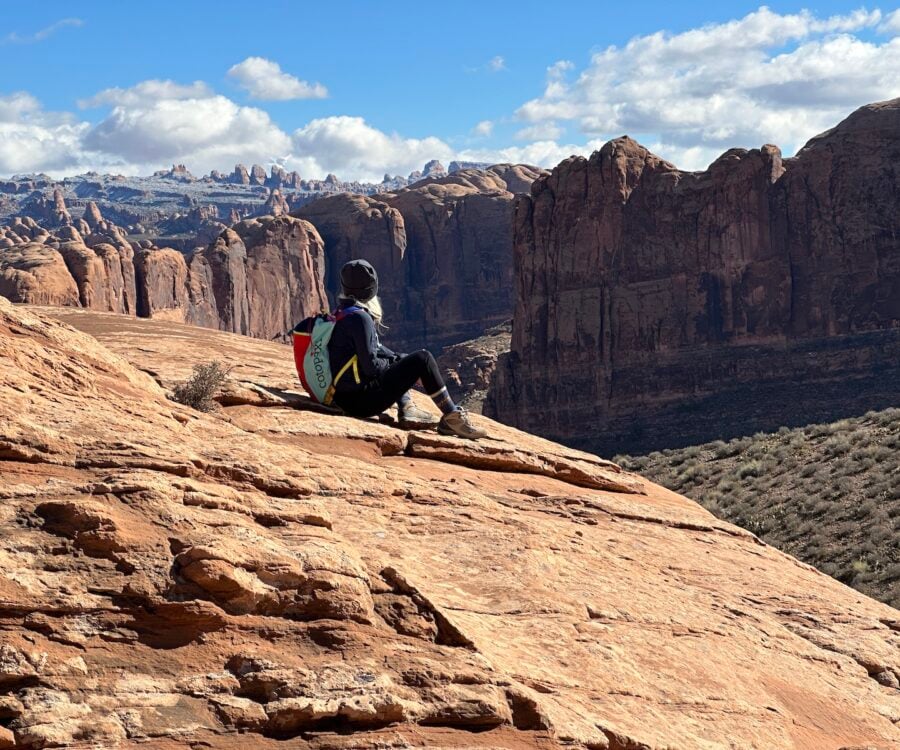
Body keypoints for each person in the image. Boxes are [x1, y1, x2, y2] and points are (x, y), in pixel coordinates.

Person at [327, 259, 487, 439]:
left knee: (401, 358)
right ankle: (452, 418)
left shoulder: (341, 312)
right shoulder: (360, 318)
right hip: (360, 402)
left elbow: (371, 352)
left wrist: (397, 360)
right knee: (423, 358)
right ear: (371, 290)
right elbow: (371, 367)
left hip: (342, 397)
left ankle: (407, 408)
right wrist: (394, 365)